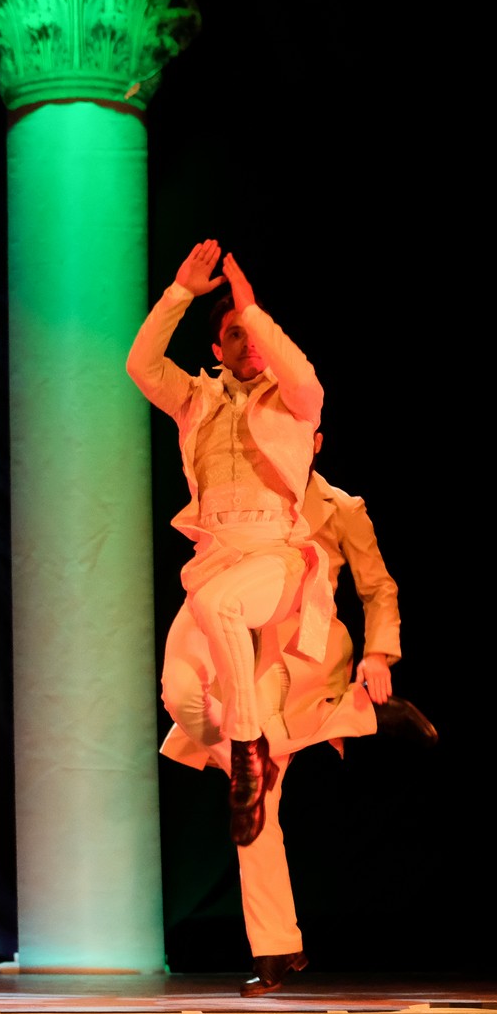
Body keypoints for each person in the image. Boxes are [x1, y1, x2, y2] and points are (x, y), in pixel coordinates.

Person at [160, 435, 435, 996]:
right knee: (246, 789)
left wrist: (379, 653)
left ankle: (273, 947)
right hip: (243, 650)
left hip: (303, 655)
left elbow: (377, 587)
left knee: (254, 794)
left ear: (314, 441)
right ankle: (278, 946)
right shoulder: (243, 498)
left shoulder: (340, 507)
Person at [127, 237, 332, 856]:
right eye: (235, 334)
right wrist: (180, 293)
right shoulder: (195, 399)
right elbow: (141, 366)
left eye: (253, 332)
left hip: (276, 557)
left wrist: (253, 309)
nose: (248, 342)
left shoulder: (295, 401)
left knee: (223, 604)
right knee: (179, 693)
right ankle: (258, 760)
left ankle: (247, 754)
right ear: (217, 350)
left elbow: (304, 375)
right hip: (214, 560)